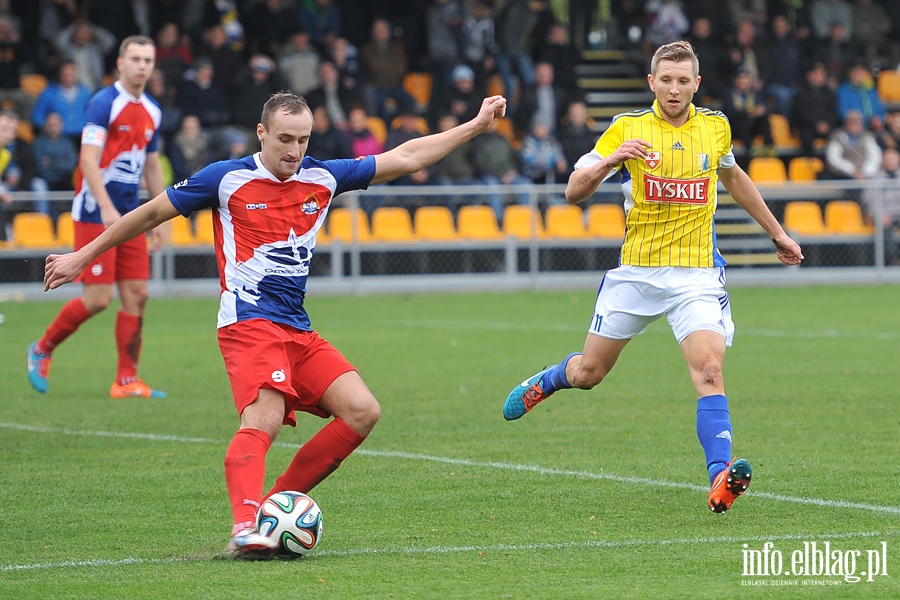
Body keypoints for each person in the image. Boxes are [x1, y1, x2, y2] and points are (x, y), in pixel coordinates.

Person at [42, 90, 507, 559]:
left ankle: (269, 509)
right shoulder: (225, 179)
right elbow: (149, 213)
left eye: (303, 140)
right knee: (263, 419)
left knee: (363, 411)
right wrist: (82, 256)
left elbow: (405, 156)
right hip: (247, 323)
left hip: (298, 329)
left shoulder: (324, 177)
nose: (294, 151)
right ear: (261, 133)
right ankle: (245, 527)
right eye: (285, 138)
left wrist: (474, 125)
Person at [500, 41, 803, 515]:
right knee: (589, 374)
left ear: (696, 84)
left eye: (684, 81)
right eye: (666, 80)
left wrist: (777, 232)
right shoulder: (628, 128)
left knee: (710, 370)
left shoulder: (715, 128)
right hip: (637, 273)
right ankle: (554, 377)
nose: (675, 89)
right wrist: (610, 158)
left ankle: (720, 475)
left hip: (697, 274)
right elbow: (572, 191)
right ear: (651, 82)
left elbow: (734, 177)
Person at [27, 35, 166, 399]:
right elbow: (88, 159)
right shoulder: (103, 103)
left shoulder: (153, 110)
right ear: (120, 63)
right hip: (94, 211)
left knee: (137, 293)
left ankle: (126, 381)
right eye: (135, 58)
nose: (141, 66)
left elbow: (151, 165)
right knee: (98, 299)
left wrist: (162, 214)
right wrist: (105, 205)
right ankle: (42, 348)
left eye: (148, 60)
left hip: (131, 214)